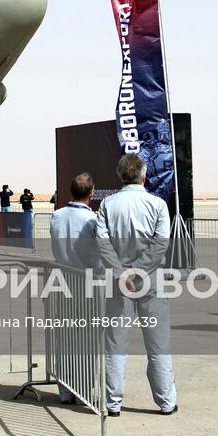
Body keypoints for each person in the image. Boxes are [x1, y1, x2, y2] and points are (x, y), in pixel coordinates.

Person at [96, 154, 178, 418]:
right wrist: (139, 270)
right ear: (144, 176)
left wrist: (123, 272)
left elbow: (103, 243)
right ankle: (166, 401)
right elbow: (160, 243)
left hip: (119, 283)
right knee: (158, 344)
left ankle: (113, 403)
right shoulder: (157, 204)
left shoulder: (108, 205)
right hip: (151, 282)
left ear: (121, 176)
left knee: (116, 345)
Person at [50, 173, 103, 405]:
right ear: (91, 195)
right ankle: (83, 388)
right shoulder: (93, 221)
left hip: (63, 281)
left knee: (65, 337)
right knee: (88, 341)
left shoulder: (57, 216)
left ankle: (65, 389)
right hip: (88, 282)